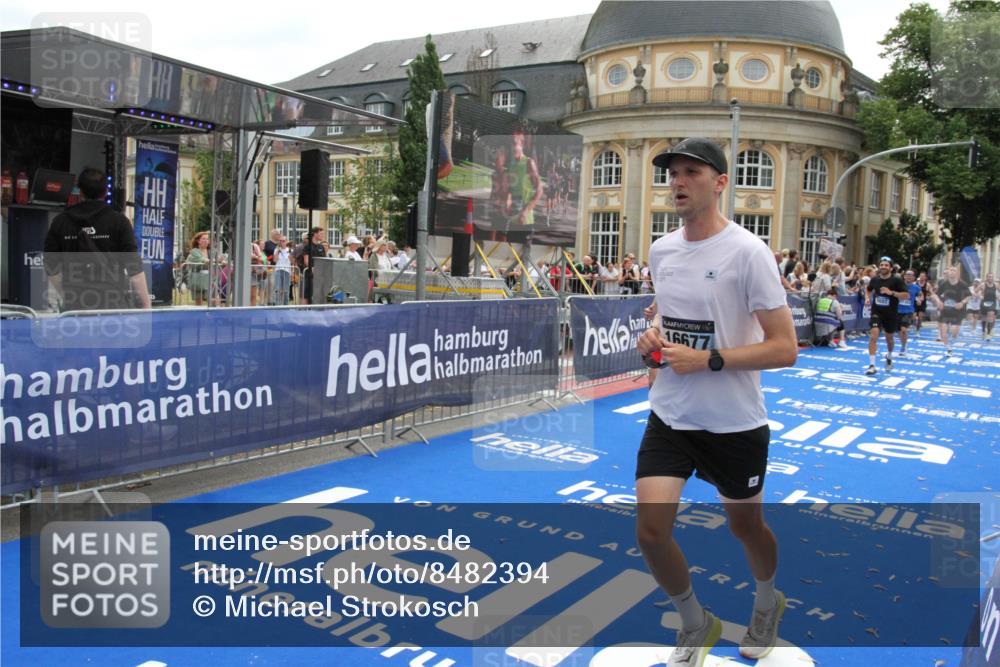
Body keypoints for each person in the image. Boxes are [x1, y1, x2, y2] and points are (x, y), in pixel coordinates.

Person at [638, 138, 797, 666]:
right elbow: (667, 318)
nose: (678, 183)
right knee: (651, 531)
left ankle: (767, 599)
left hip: (733, 422)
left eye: (691, 173)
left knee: (745, 527)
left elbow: (785, 347)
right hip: (672, 413)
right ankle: (694, 622)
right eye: (672, 174)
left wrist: (709, 359)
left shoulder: (748, 252)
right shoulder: (662, 250)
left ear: (720, 182)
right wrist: (652, 340)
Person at [43, 167, 151, 311]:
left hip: (75, 307)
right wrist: (146, 306)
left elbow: (51, 267)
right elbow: (135, 271)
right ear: (106, 191)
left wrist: (66, 294)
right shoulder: (119, 221)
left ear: (80, 191)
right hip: (113, 307)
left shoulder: (60, 222)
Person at [863, 257, 908, 375]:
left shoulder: (896, 280)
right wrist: (867, 298)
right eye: (881, 264)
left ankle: (889, 355)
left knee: (889, 339)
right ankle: (872, 365)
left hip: (891, 314)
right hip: (877, 312)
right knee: (874, 336)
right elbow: (868, 290)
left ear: (891, 268)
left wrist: (891, 293)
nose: (883, 267)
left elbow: (906, 295)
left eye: (886, 265)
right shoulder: (875, 280)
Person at [505, 127, 542, 229]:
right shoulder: (511, 165)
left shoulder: (529, 162)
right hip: (512, 222)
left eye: (514, 143)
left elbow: (539, 191)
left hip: (526, 223)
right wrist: (508, 200)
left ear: (522, 144)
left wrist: (525, 212)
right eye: (510, 143)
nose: (511, 147)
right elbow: (510, 189)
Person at [931, 266, 970, 355]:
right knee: (943, 332)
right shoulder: (944, 284)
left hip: (958, 311)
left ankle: (953, 335)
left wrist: (962, 303)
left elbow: (969, 296)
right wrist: (939, 302)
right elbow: (935, 294)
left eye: (953, 270)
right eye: (950, 270)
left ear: (957, 273)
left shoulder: (962, 284)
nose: (951, 272)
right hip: (946, 310)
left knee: (954, 332)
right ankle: (949, 348)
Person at [897, 269, 922, 356]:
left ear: (914, 278)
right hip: (897, 310)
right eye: (907, 275)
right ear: (904, 276)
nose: (909, 277)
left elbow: (920, 295)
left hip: (908, 311)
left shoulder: (916, 287)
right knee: (899, 331)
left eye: (911, 275)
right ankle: (903, 344)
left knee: (903, 329)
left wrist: (919, 299)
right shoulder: (898, 285)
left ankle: (904, 347)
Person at [300, 227, 326, 305]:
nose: (322, 235)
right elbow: (306, 260)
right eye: (321, 234)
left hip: (320, 275)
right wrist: (312, 268)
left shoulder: (321, 247)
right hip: (309, 275)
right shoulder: (307, 246)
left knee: (318, 294)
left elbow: (324, 260)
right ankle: (303, 312)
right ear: (315, 234)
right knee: (307, 295)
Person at [185, 232, 212, 306]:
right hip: (197, 279)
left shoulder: (211, 252)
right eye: (203, 238)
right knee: (199, 302)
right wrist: (211, 261)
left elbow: (219, 259)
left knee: (214, 299)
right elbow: (204, 260)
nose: (206, 240)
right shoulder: (194, 251)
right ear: (198, 241)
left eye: (207, 239)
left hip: (210, 280)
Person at [271, 235, 293, 305]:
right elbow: (275, 260)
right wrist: (277, 250)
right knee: (278, 289)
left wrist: (292, 271)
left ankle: (286, 305)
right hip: (278, 270)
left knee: (286, 290)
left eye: (283, 241)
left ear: (286, 242)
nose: (281, 242)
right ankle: (278, 305)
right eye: (280, 241)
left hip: (287, 271)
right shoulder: (276, 250)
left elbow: (292, 262)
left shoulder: (290, 250)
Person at [980, 273, 997, 340]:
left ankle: (989, 333)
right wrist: (979, 295)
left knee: (990, 315)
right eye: (989, 277)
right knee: (984, 319)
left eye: (991, 277)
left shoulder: (996, 285)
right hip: (984, 303)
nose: (990, 278)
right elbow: (975, 291)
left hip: (992, 303)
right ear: (986, 278)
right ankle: (984, 331)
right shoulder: (983, 285)